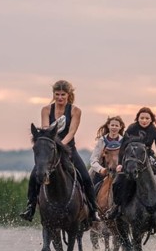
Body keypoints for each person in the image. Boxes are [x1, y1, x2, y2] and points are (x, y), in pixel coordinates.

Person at [19, 79, 99, 223]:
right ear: (53, 94)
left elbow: (72, 132)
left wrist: (60, 145)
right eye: (57, 94)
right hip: (50, 150)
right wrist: (51, 145)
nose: (60, 97)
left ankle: (93, 211)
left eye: (63, 94)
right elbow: (45, 129)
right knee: (34, 176)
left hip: (68, 149)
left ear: (68, 95)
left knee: (86, 178)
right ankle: (30, 208)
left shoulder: (75, 111)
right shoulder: (46, 110)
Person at [89, 115, 125, 186]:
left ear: (120, 127)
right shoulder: (102, 141)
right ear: (108, 126)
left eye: (116, 125)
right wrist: (100, 169)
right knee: (88, 183)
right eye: (112, 125)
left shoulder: (123, 141)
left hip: (120, 171)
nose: (114, 127)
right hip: (103, 171)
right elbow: (93, 159)